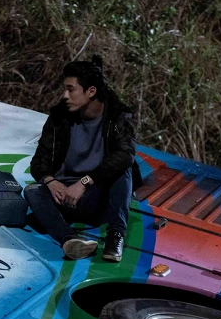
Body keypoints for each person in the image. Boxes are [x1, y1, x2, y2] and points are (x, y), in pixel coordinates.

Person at [25, 55, 140, 262]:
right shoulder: (59, 118)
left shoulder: (117, 116)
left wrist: (85, 182)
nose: (65, 95)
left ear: (91, 91)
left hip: (98, 196)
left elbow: (125, 154)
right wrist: (51, 182)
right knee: (32, 191)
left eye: (71, 89)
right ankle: (71, 241)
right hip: (64, 196)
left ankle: (115, 236)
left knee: (123, 168)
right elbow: (38, 162)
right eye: (64, 89)